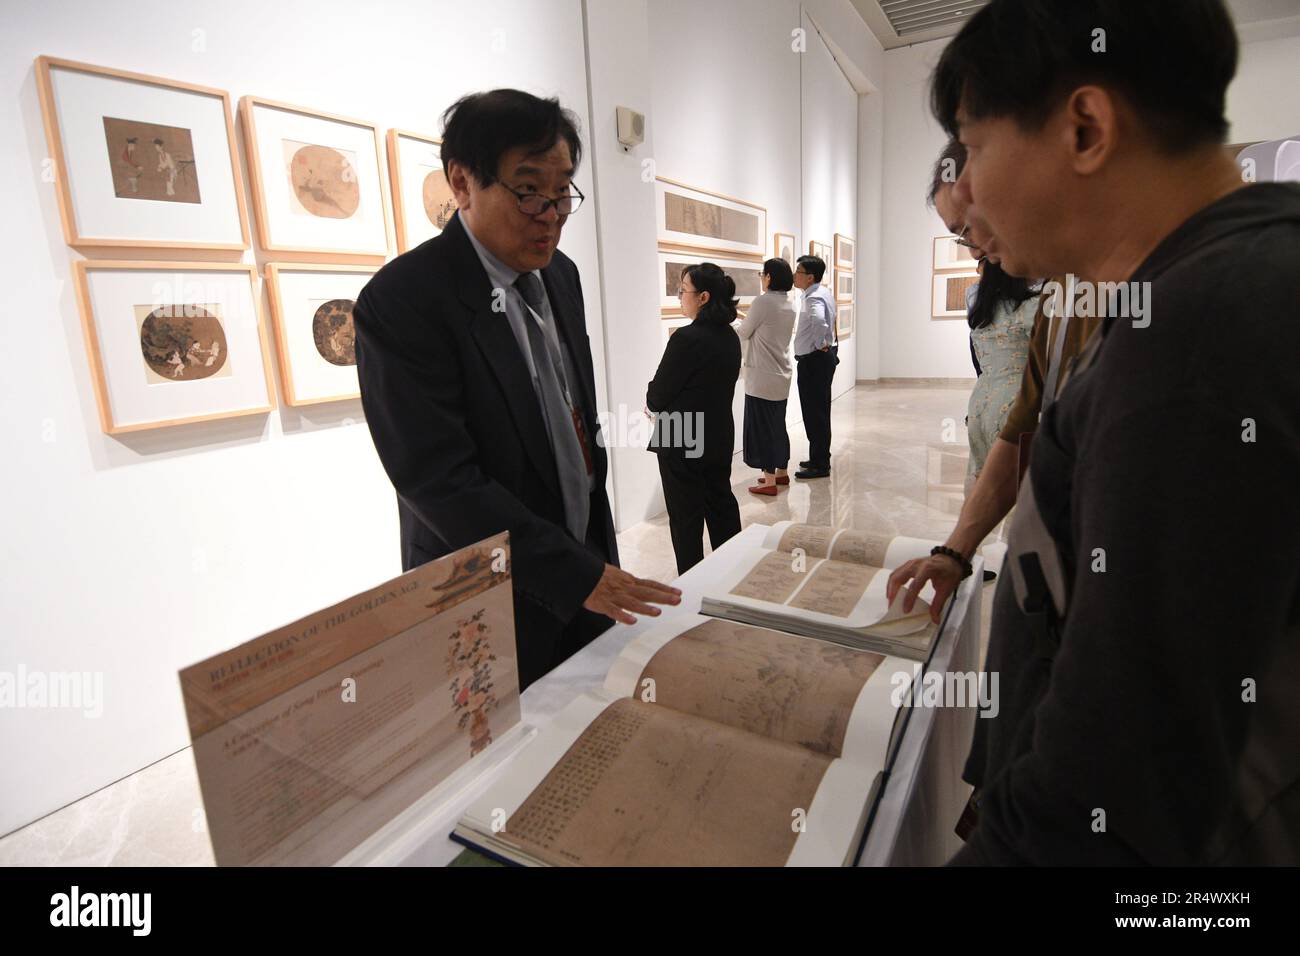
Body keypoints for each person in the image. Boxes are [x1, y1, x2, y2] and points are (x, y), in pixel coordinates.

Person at [929, 0, 1300, 864]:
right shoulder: (1226, 281)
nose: (971, 189)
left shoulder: (1200, 331)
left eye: (975, 148)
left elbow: (1120, 776)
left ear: (1086, 128)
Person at [352, 89, 680, 691]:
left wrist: (595, 562)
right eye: (529, 189)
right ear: (462, 182)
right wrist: (572, 573)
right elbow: (438, 479)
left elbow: (575, 423)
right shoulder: (404, 301)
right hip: (487, 590)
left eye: (562, 192)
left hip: (585, 569)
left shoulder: (561, 275)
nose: (550, 213)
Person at [891, 141, 1103, 616]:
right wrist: (956, 551)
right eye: (961, 238)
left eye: (968, 228)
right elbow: (1024, 423)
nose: (975, 251)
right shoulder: (1060, 295)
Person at [646, 263, 743, 573]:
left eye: (682, 291)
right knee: (720, 506)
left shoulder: (686, 339)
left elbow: (658, 394)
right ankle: (730, 575)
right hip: (717, 434)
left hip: (680, 434)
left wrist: (652, 401)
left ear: (702, 297)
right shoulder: (729, 336)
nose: (679, 297)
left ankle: (692, 587)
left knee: (685, 518)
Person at [962, 258, 1039, 493]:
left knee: (983, 480)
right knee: (1017, 485)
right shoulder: (1034, 307)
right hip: (1016, 404)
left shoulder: (980, 312)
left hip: (979, 403)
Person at [738, 258, 798, 496]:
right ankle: (782, 473)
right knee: (777, 426)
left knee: (761, 429)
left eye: (762, 274)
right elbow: (764, 328)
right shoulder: (789, 304)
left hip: (761, 376)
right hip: (781, 374)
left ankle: (769, 480)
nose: (761, 278)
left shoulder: (763, 302)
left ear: (770, 277)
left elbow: (744, 332)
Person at [790, 255, 837, 479]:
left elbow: (819, 321)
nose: (794, 275)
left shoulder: (812, 298)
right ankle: (818, 457)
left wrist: (820, 345)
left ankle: (820, 465)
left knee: (814, 413)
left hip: (814, 362)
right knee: (818, 411)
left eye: (798, 271)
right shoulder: (822, 292)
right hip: (819, 360)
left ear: (809, 277)